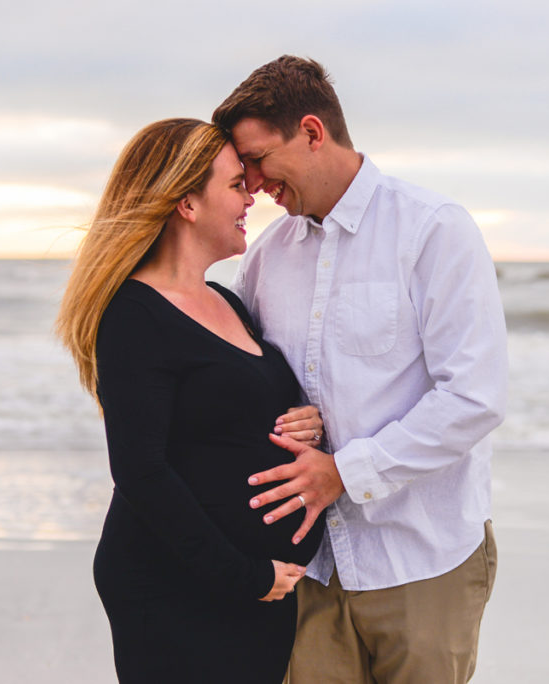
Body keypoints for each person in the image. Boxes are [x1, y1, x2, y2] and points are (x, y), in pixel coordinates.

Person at [212, 56, 508, 683]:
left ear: (313, 132)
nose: (254, 181)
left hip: (424, 558)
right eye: (244, 168)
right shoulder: (266, 257)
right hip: (309, 571)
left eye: (260, 158)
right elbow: (254, 388)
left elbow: (475, 396)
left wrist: (343, 473)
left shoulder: (432, 230)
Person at [55, 118, 326, 683]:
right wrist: (245, 576)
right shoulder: (134, 314)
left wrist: (306, 423)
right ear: (186, 203)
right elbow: (141, 471)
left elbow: (235, 418)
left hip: (252, 592)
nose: (250, 195)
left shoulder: (226, 300)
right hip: (179, 589)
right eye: (234, 185)